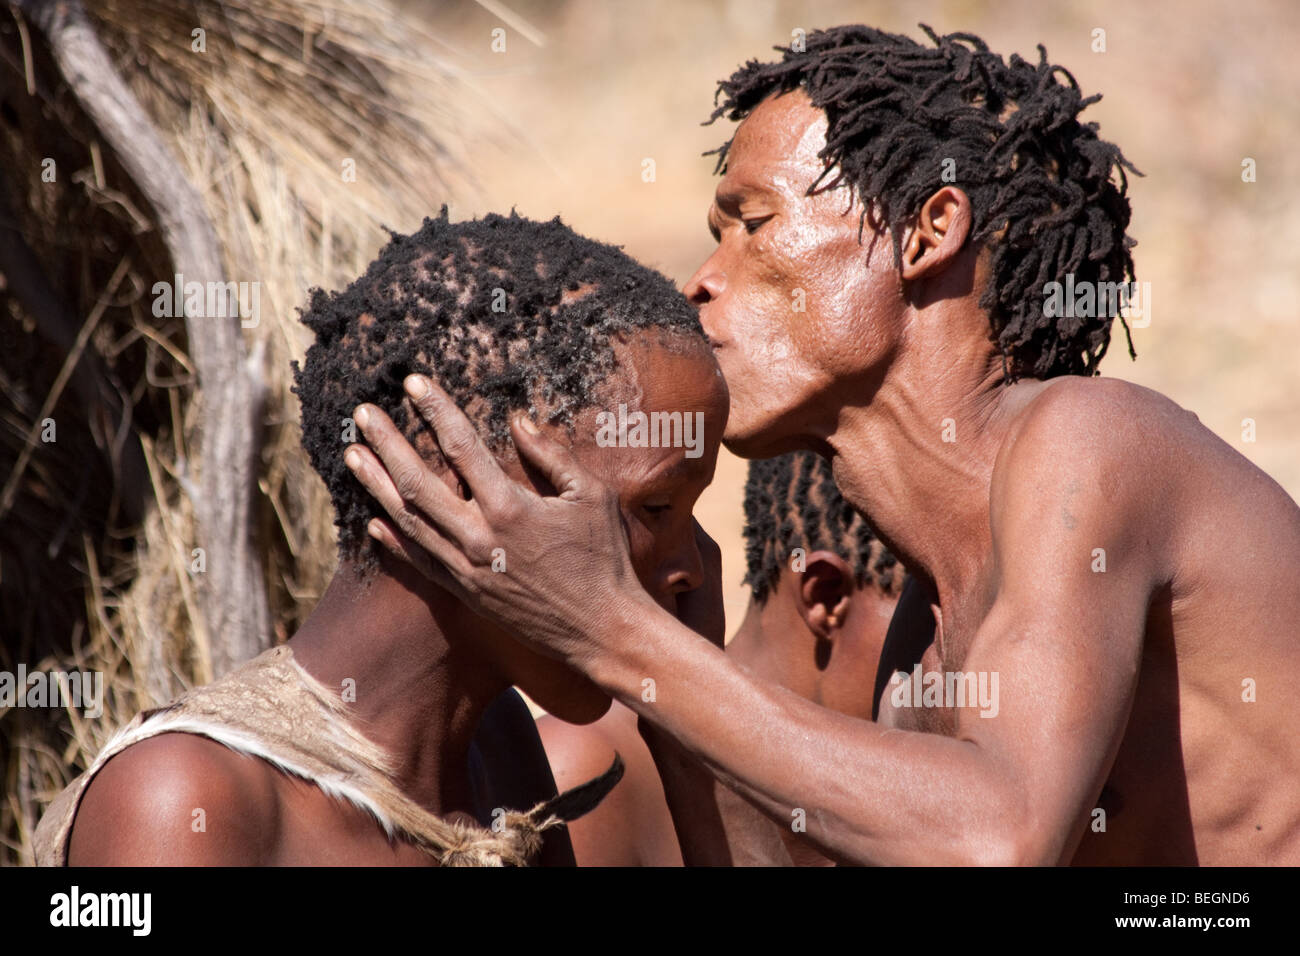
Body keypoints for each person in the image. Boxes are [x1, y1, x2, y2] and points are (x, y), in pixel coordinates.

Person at [346, 26, 1300, 865]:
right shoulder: (923, 644)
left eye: (752, 223)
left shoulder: (1091, 439)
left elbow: (998, 843)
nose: (701, 282)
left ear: (929, 232)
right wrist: (671, 670)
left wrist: (610, 629)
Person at [34, 210, 729, 866]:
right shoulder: (188, 802)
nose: (696, 567)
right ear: (457, 480)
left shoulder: (498, 747)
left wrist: (689, 740)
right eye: (657, 506)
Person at [538, 450, 906, 865]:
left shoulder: (919, 811)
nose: (950, 664)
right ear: (827, 597)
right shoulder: (590, 770)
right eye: (929, 615)